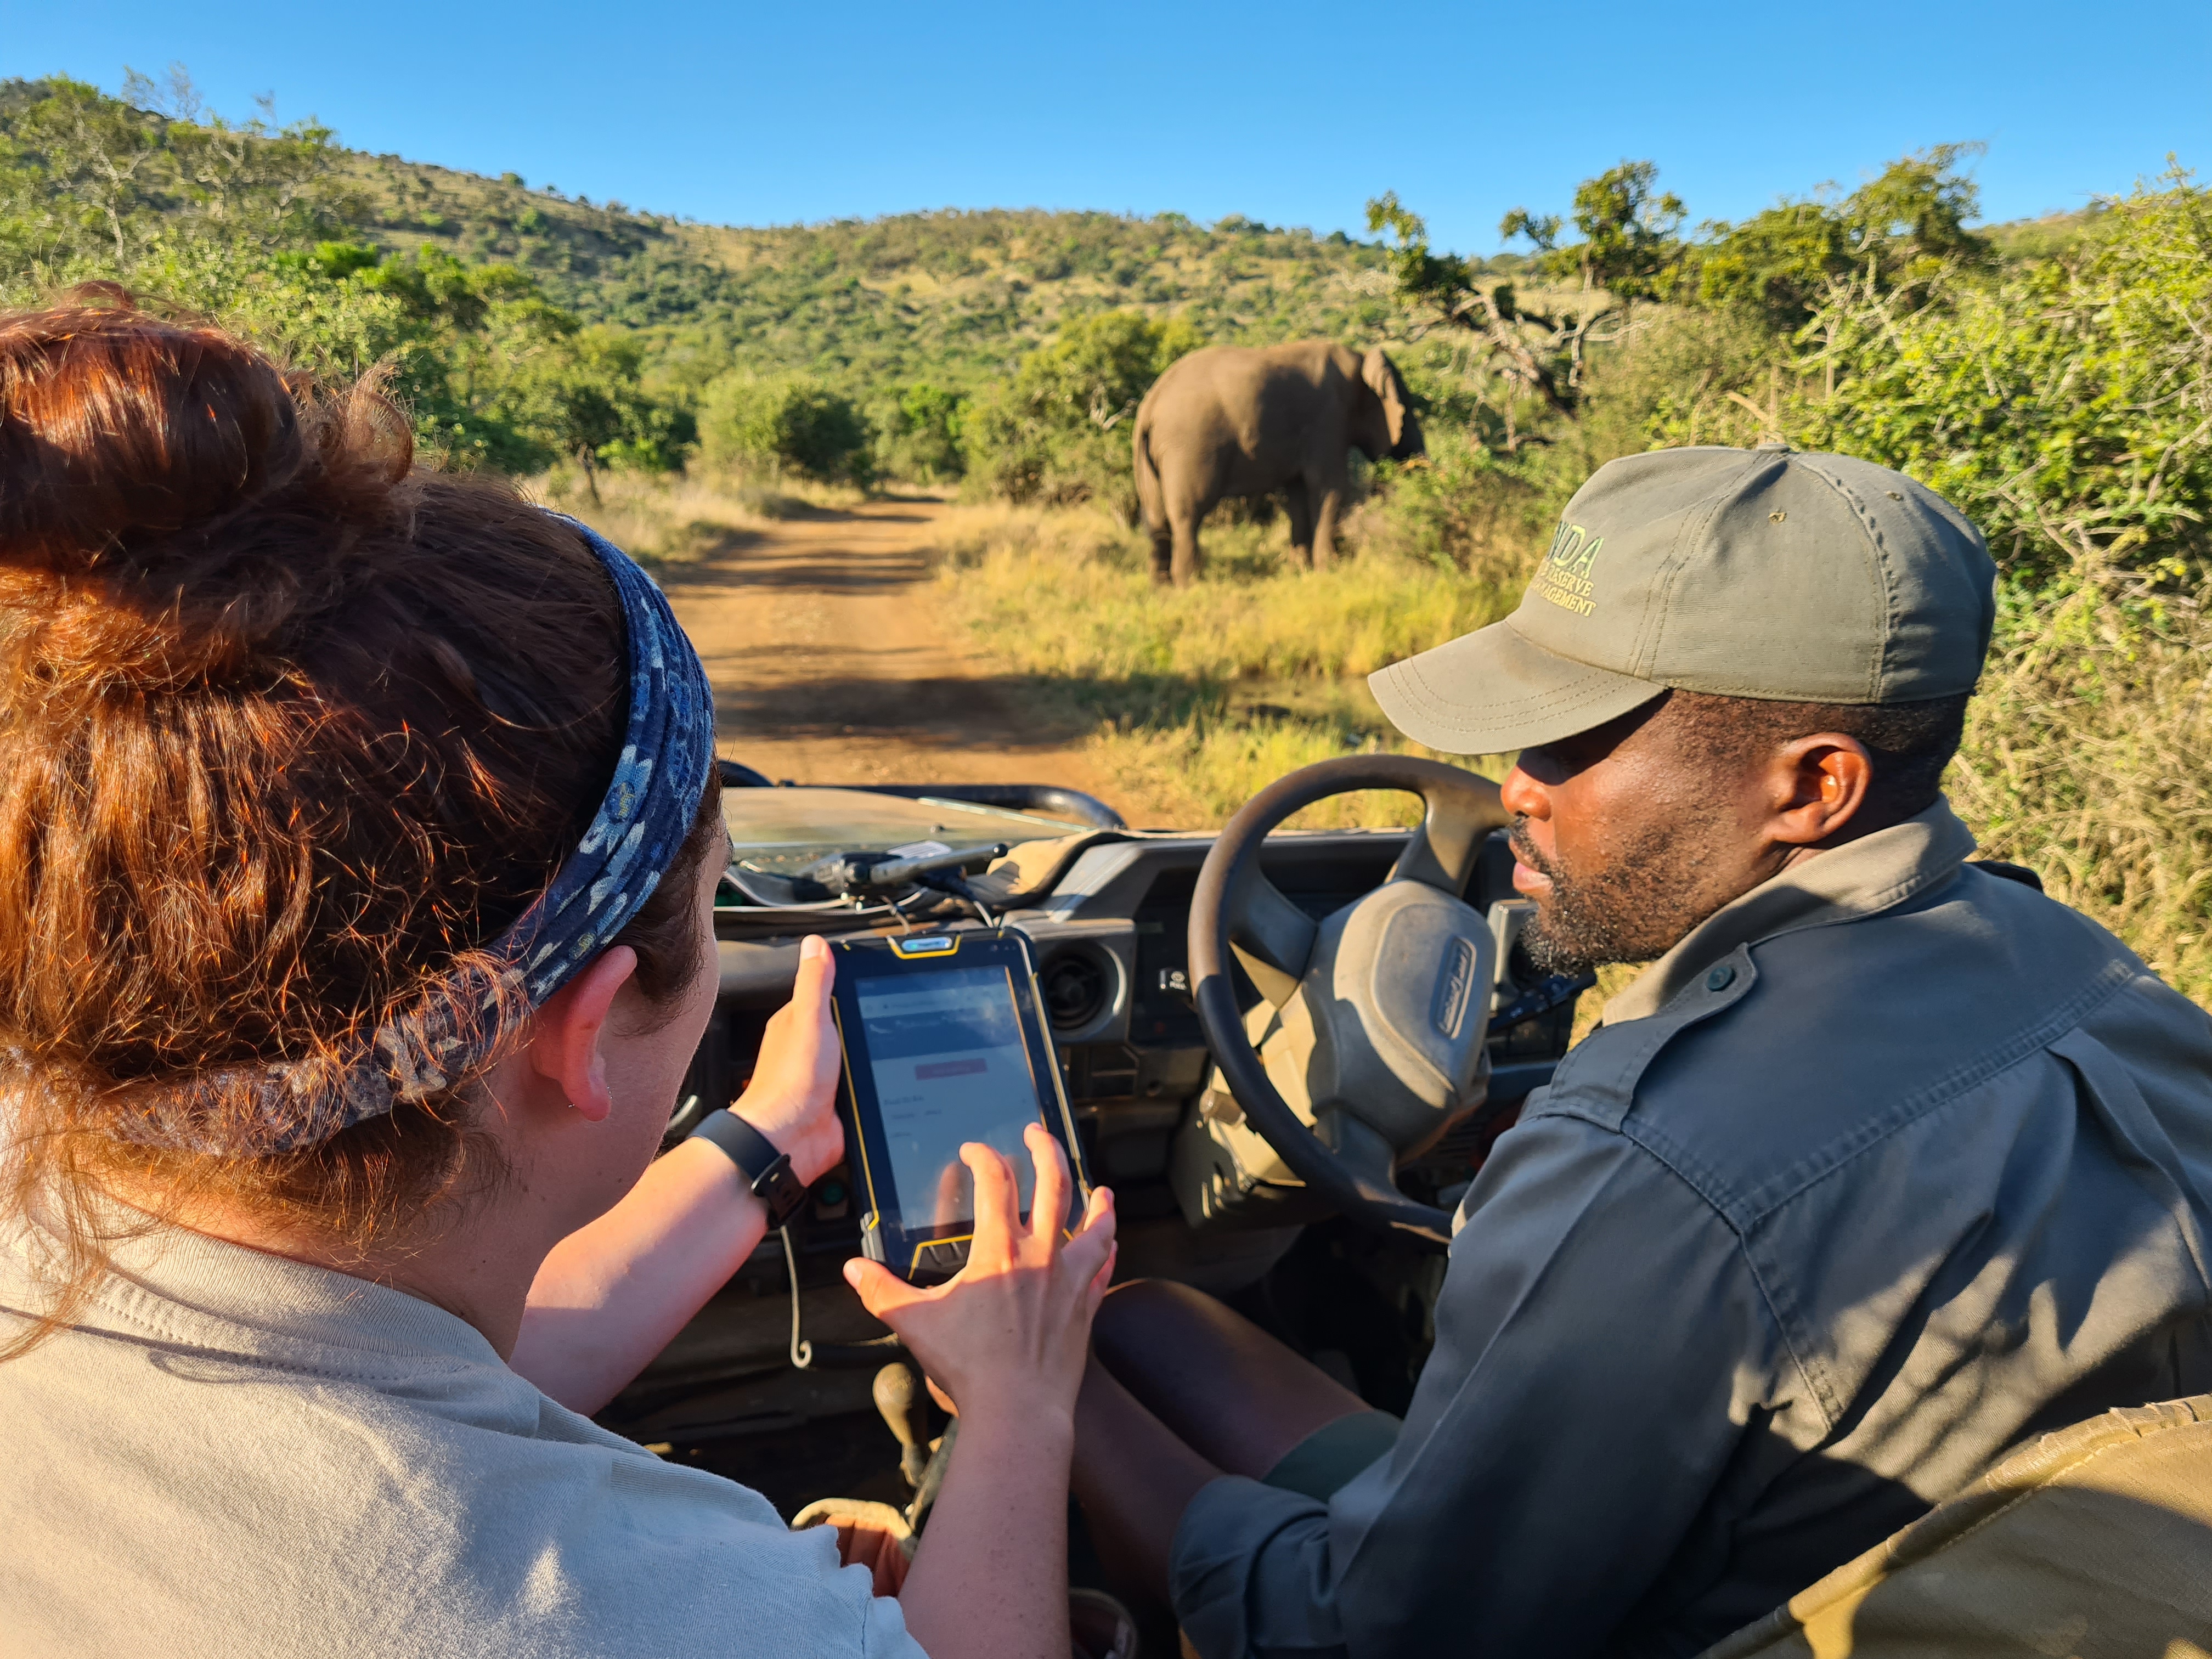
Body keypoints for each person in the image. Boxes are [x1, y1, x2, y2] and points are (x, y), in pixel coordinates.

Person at [0, 296, 1115, 1659]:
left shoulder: (54, 1156)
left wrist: (765, 1143)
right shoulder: (616, 1610)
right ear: (583, 1031)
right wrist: (1017, 1405)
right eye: (717, 898)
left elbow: (402, 1361)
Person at [1070, 443, 2212, 1658]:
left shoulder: (1649, 1158)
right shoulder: (2097, 973)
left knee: (1081, 1358)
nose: (1513, 786)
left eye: (1573, 741)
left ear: (1813, 788)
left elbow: (1358, 1639)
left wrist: (1028, 1393)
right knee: (1147, 1319)